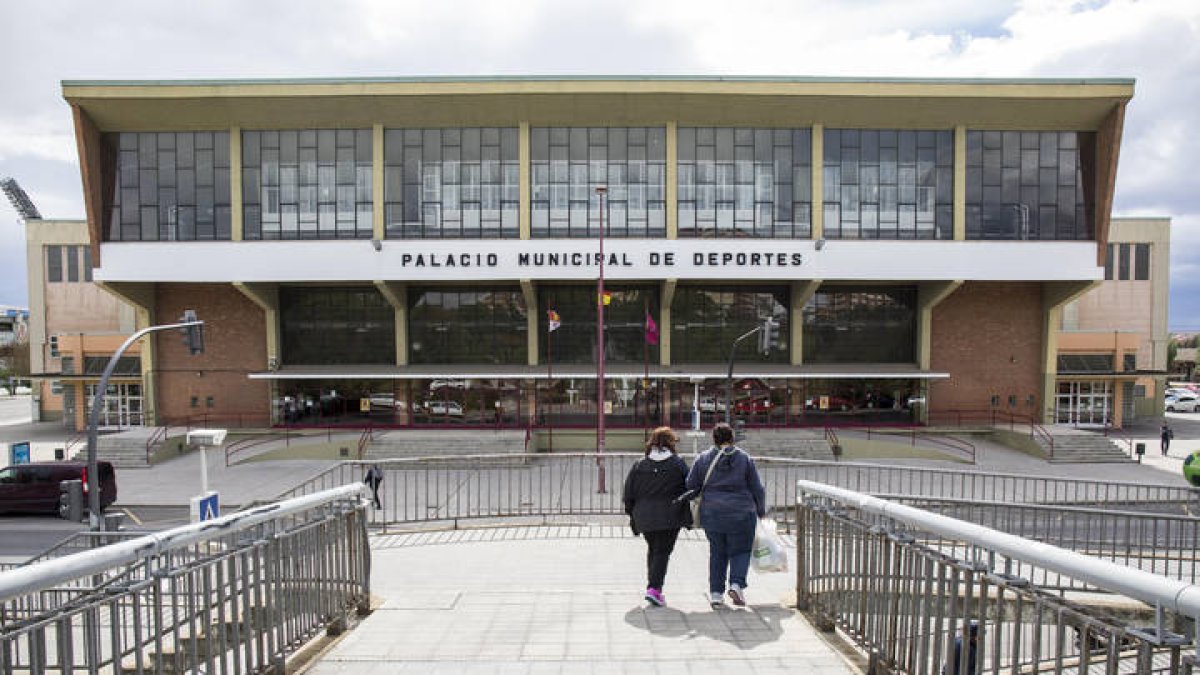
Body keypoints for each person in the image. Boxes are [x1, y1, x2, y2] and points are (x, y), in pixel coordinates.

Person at [686, 422, 766, 609]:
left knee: (717, 552)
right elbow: (757, 488)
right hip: (742, 513)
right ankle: (736, 585)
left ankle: (715, 594)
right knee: (741, 550)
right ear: (732, 439)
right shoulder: (744, 459)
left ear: (714, 439)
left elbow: (690, 484)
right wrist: (761, 511)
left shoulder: (703, 459)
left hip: (712, 513)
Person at [622, 426, 691, 607]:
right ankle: (654, 589)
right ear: (671, 443)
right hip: (670, 515)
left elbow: (628, 494)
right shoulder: (678, 464)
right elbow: (690, 485)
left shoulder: (639, 465)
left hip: (644, 516)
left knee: (654, 549)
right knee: (662, 551)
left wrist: (633, 514)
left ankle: (653, 587)